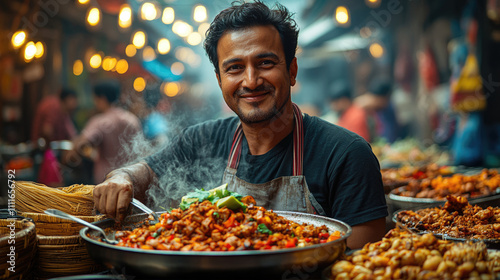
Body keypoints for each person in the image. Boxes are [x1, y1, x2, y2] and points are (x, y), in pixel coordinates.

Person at [94, 1, 387, 249]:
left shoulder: (347, 155)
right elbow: (146, 171)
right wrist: (122, 177)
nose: (250, 81)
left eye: (265, 63)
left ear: (292, 70)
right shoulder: (202, 140)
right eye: (234, 68)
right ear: (220, 80)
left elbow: (361, 263)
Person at [71, 81, 142, 184]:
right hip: (130, 177)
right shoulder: (132, 120)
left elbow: (82, 144)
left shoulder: (100, 121)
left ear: (102, 98)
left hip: (106, 179)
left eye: (95, 99)